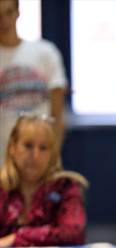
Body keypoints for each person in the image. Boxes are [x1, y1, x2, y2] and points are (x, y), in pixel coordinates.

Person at [0, 114, 87, 248]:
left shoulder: (65, 187)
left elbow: (74, 234)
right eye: (28, 146)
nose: (35, 156)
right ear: (12, 147)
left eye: (43, 148)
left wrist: (17, 238)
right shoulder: (2, 189)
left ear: (52, 154)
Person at [0, 0, 67, 161]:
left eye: (8, 12)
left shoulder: (46, 53)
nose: (4, 21)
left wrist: (51, 157)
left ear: (18, 13)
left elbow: (58, 115)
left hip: (42, 161)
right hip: (4, 162)